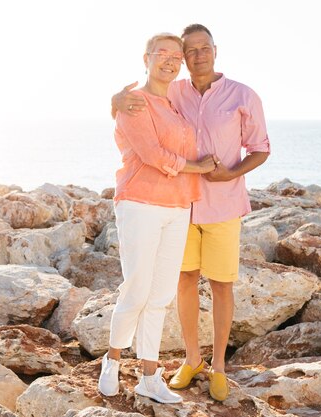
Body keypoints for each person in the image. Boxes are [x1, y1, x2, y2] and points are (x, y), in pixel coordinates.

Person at [111, 24, 270, 402]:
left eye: (204, 48)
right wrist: (115, 99)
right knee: (182, 281)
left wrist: (232, 173)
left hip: (224, 204)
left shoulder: (242, 95)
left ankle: (218, 366)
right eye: (190, 51)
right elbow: (138, 108)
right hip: (180, 205)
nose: (197, 56)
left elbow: (261, 147)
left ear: (215, 50)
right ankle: (192, 359)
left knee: (221, 284)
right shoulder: (174, 91)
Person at [98, 32, 217, 404]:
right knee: (136, 287)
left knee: (162, 293)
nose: (169, 60)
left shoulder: (177, 104)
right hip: (140, 203)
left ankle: (149, 376)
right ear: (146, 58)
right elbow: (151, 154)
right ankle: (112, 359)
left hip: (178, 206)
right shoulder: (134, 102)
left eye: (175, 56)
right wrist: (197, 166)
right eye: (161, 54)